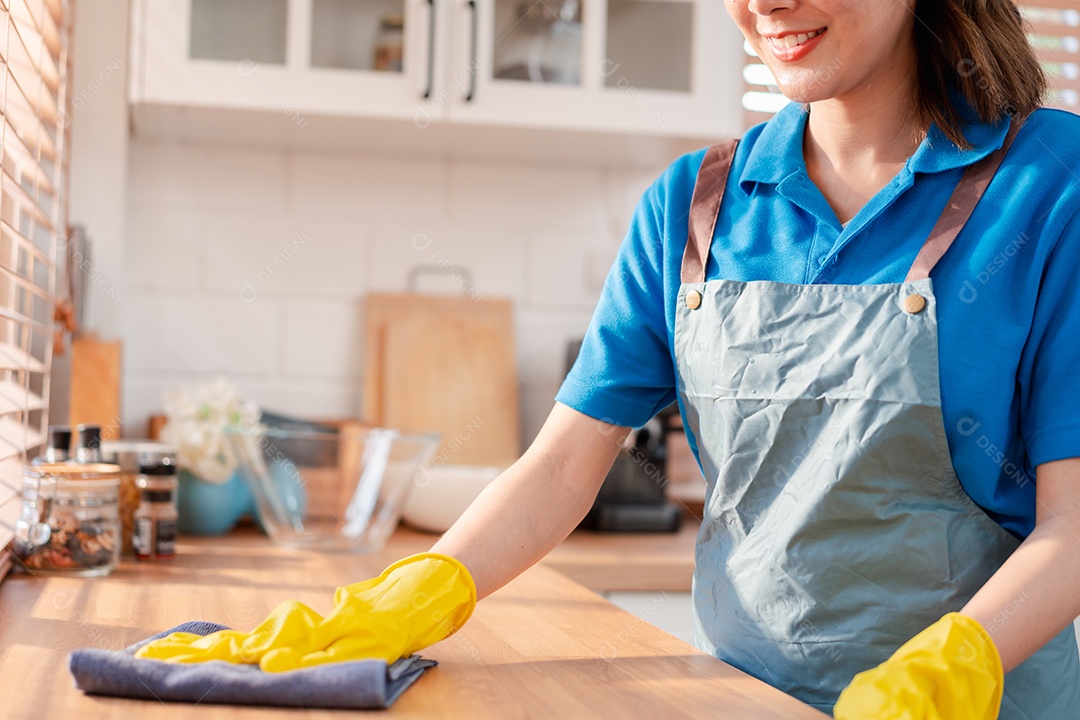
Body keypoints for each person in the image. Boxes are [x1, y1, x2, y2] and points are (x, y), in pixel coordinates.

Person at [138, 0, 1080, 716]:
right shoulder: (698, 202)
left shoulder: (1051, 184)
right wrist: (409, 597)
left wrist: (941, 674)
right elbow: (559, 468)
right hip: (744, 698)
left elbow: (1071, 528)